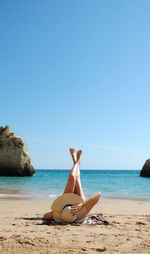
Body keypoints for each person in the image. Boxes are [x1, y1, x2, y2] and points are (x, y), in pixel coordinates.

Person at [43, 148, 101, 223]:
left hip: (65, 204)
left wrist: (55, 213)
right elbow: (98, 194)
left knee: (72, 177)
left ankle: (75, 162)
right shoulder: (82, 214)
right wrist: (82, 205)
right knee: (76, 178)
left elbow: (45, 216)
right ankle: (77, 162)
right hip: (80, 206)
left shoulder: (60, 214)